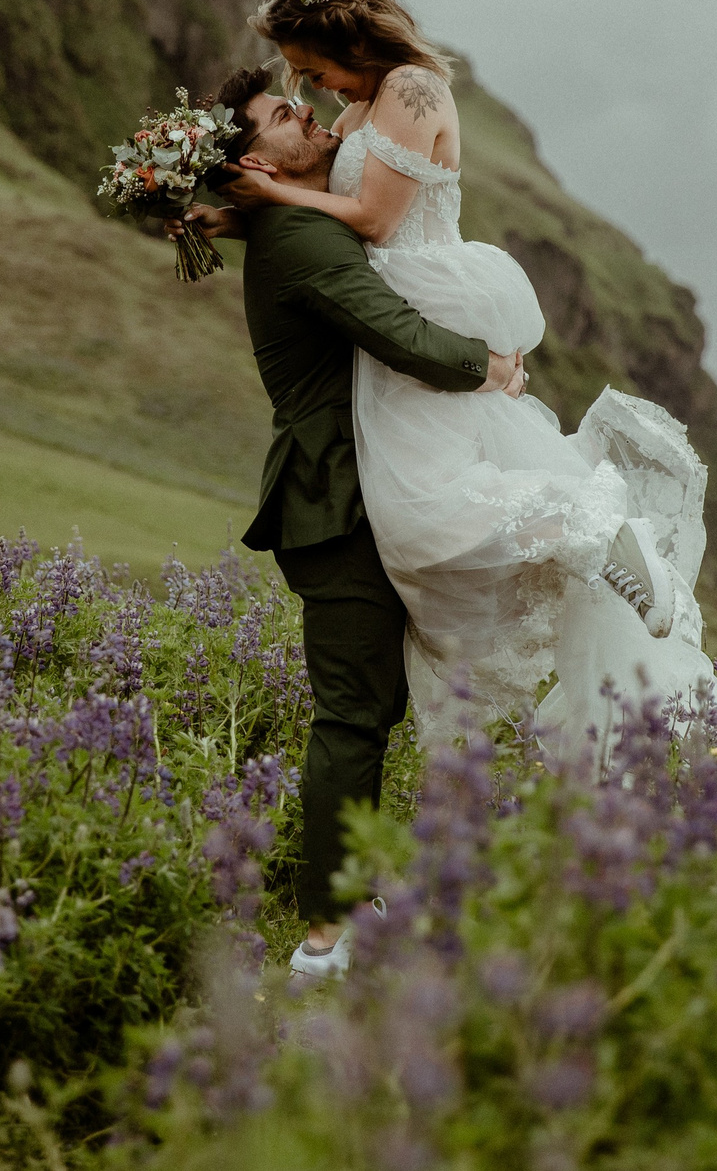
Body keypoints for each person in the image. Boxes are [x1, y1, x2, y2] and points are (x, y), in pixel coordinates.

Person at [201, 0, 717, 811]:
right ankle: (574, 570)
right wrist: (244, 209)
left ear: (345, 37)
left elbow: (371, 220)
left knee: (428, 521)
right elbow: (331, 197)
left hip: (426, 293)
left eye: (311, 63)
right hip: (392, 329)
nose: (308, 83)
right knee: (421, 531)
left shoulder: (412, 91)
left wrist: (269, 199)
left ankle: (594, 527)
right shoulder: (359, 106)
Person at [189, 68, 529, 982]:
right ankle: (325, 940)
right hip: (330, 497)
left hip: (366, 485)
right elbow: (393, 330)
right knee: (353, 714)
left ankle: (379, 906)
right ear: (255, 158)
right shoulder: (297, 233)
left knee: (382, 704)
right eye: (281, 115)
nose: (305, 112)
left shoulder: (285, 216)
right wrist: (489, 366)